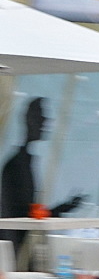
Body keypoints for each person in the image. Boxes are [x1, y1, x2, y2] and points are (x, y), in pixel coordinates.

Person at [1, 97, 48, 253]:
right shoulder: (16, 164)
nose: (45, 122)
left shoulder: (24, 161)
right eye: (41, 116)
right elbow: (18, 213)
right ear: (29, 121)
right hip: (16, 245)